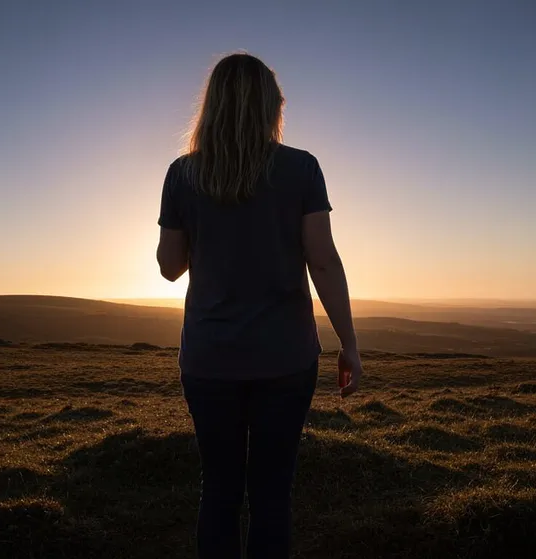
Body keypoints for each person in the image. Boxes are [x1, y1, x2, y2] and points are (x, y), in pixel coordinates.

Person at [156, 52, 363, 559]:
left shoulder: (183, 173)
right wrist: (350, 345)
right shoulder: (302, 168)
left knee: (220, 491)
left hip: (209, 359)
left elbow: (169, 266)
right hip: (285, 358)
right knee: (272, 495)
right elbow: (325, 261)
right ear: (271, 106)